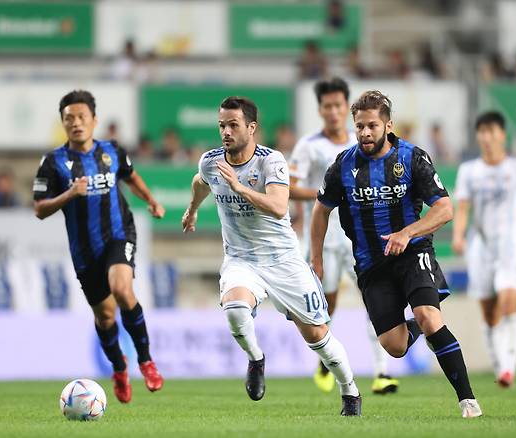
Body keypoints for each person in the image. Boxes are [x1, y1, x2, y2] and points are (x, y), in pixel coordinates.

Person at [182, 96, 362, 416]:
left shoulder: (271, 161)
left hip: (283, 261)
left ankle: (349, 390)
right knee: (235, 310)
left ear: (251, 128)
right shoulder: (211, 162)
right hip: (241, 260)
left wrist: (240, 188)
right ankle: (256, 359)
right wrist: (192, 210)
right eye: (222, 125)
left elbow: (280, 206)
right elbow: (201, 182)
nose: (226, 131)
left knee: (318, 336)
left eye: (233, 125)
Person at [311, 90, 482, 418]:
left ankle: (468, 401)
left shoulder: (412, 158)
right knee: (395, 346)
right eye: (359, 126)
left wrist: (408, 232)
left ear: (387, 125)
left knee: (430, 317)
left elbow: (445, 209)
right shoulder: (344, 165)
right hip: (371, 263)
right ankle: (416, 326)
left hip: (412, 252)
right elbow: (321, 210)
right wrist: (316, 257)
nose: (364, 133)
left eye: (372, 126)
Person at [32, 90, 165, 404]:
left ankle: (146, 360)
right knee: (105, 317)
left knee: (123, 290)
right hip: (85, 250)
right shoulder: (53, 162)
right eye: (69, 119)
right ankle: (119, 366)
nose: (76, 123)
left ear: (94, 120)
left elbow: (131, 177)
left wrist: (151, 200)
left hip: (120, 234)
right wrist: (68, 195)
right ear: (63, 123)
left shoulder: (112, 150)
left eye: (82, 117)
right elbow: (39, 208)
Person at [289, 78, 398, 395]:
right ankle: (326, 362)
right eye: (328, 106)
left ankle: (382, 373)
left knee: (375, 300)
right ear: (320, 109)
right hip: (324, 238)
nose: (334, 111)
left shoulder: (366, 139)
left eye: (339, 105)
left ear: (346, 107)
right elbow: (290, 188)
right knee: (328, 306)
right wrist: (329, 194)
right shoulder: (309, 146)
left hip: (362, 239)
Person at [452, 111, 516, 388]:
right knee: (489, 312)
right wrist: (459, 236)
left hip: (512, 244)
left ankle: (508, 368)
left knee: (509, 303)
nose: (487, 137)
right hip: (481, 245)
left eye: (492, 131)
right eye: (482, 132)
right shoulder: (469, 170)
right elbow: (463, 208)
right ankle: (498, 363)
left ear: (502, 135)